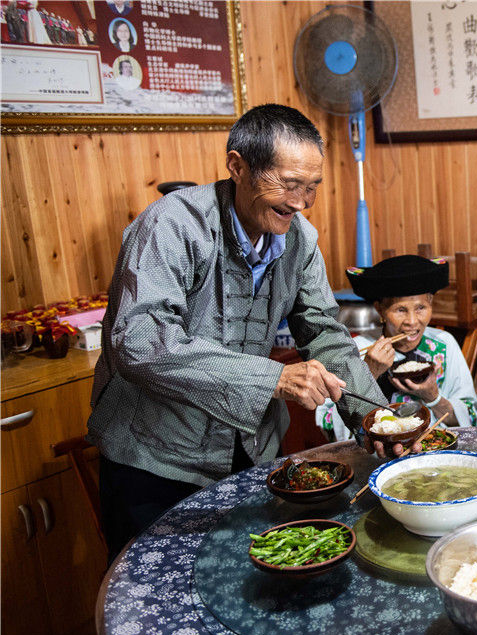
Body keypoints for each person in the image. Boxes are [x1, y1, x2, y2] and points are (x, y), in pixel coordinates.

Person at [88, 104, 386, 559]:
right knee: (158, 606)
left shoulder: (300, 239)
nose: (300, 202)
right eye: (288, 185)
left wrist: (378, 423)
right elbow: (140, 339)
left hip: (246, 450)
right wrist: (274, 378)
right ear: (237, 166)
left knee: (246, 579)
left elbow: (325, 333)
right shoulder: (172, 225)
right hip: (154, 459)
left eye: (311, 188)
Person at [316, 254, 477, 455]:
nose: (412, 321)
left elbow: (471, 419)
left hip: (433, 452)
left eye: (421, 307)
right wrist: (368, 373)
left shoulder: (444, 345)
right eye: (401, 310)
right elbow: (327, 424)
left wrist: (433, 397)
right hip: (375, 457)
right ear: (380, 310)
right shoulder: (356, 350)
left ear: (431, 305)